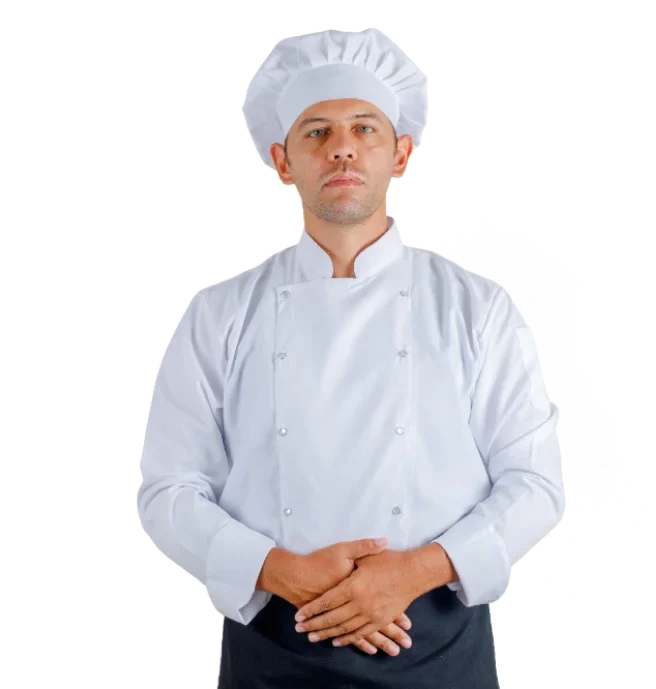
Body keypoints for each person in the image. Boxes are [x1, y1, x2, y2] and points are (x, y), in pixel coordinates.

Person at [137, 27, 565, 689]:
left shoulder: (475, 308)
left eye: (364, 128)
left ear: (400, 154)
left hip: (437, 644)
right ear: (283, 163)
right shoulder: (220, 313)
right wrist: (282, 571)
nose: (342, 146)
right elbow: (167, 489)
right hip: (275, 645)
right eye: (317, 132)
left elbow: (536, 485)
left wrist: (415, 571)